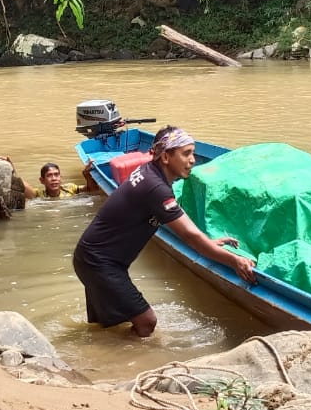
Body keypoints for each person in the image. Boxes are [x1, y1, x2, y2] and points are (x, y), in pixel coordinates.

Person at [72, 126, 256, 337]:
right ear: (166, 157)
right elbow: (189, 235)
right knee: (146, 322)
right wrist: (234, 261)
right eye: (186, 153)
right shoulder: (156, 188)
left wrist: (208, 242)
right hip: (99, 263)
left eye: (193, 153)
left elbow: (180, 223)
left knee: (106, 329)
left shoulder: (150, 174)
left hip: (92, 258)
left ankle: (99, 353)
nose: (193, 160)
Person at [19, 161, 97, 200]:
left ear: (61, 178)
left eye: (56, 174)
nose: (54, 178)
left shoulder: (70, 188)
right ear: (42, 180)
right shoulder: (38, 194)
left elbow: (92, 190)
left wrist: (87, 175)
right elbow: (21, 184)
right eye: (49, 175)